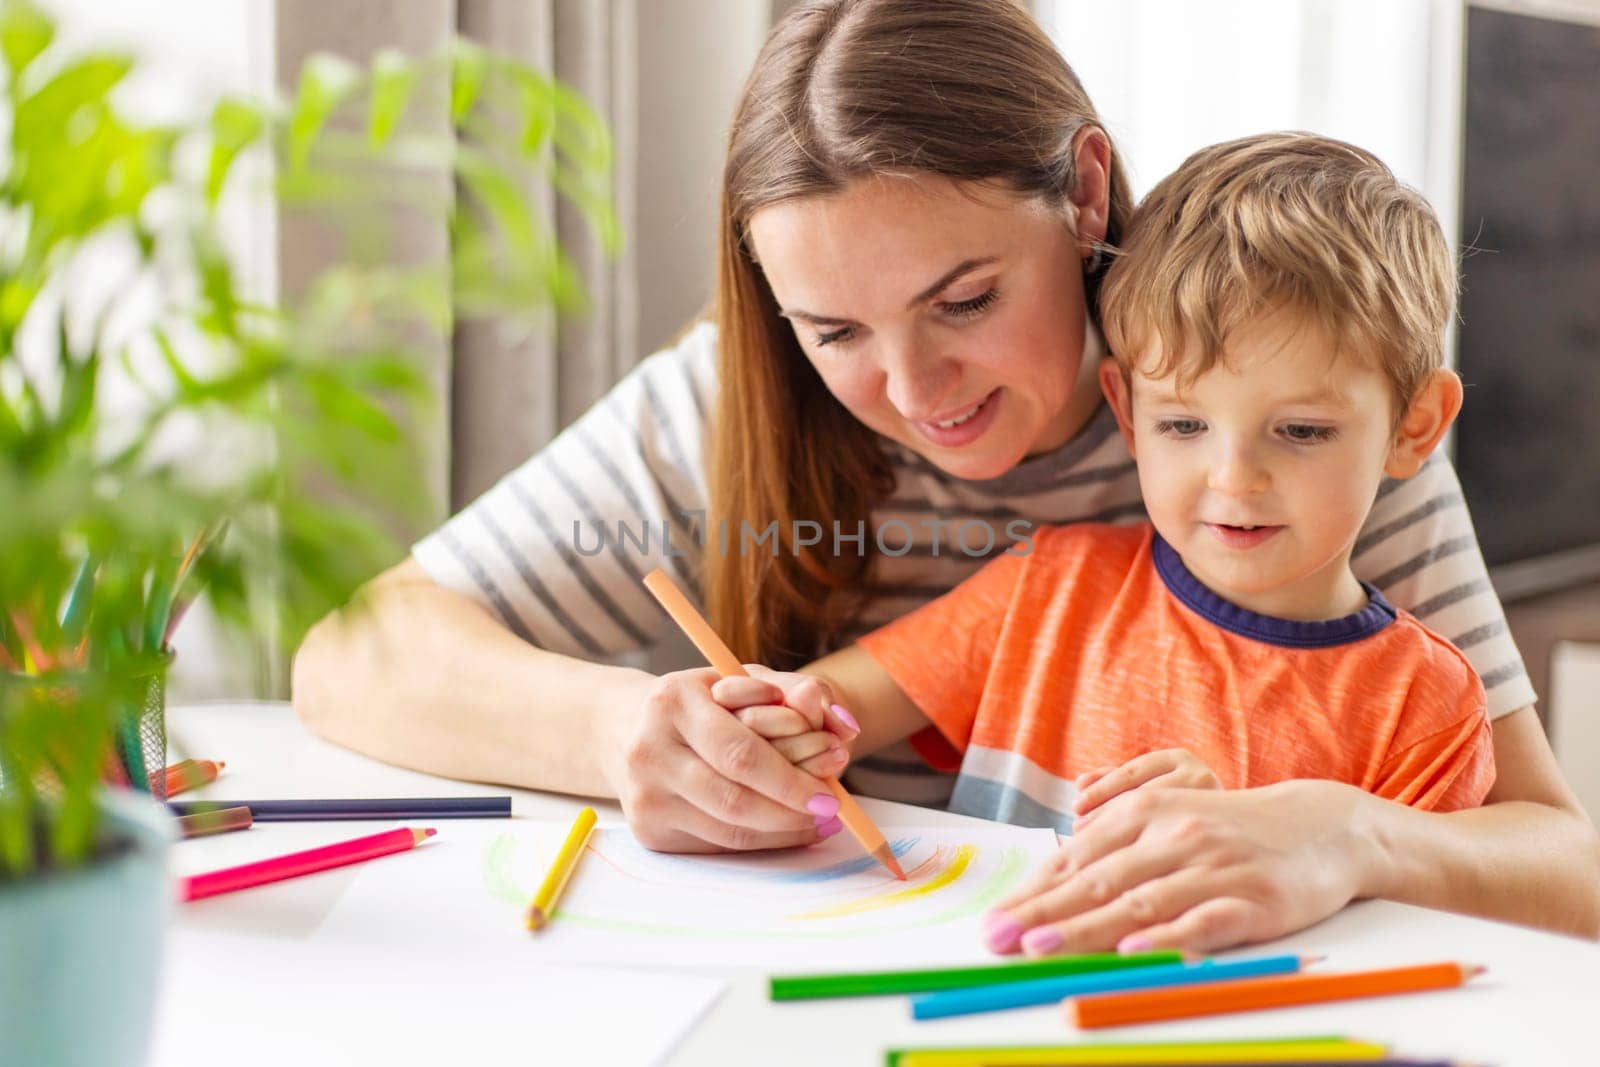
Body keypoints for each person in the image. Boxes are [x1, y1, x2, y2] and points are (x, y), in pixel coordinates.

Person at [291, 0, 1600, 946]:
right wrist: (621, 729)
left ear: (1086, 194)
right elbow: (355, 651)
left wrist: (1355, 833)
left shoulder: (1288, 402)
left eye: (964, 298)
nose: (917, 394)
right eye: (836, 331)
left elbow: (1561, 854)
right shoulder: (727, 403)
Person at [718, 132, 1498, 958]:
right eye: (1183, 424)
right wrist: (791, 723)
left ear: (1414, 427)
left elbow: (1424, 945)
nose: (1234, 479)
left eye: (1301, 430)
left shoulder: (1429, 707)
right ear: (1128, 413)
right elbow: (831, 704)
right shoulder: (1046, 587)